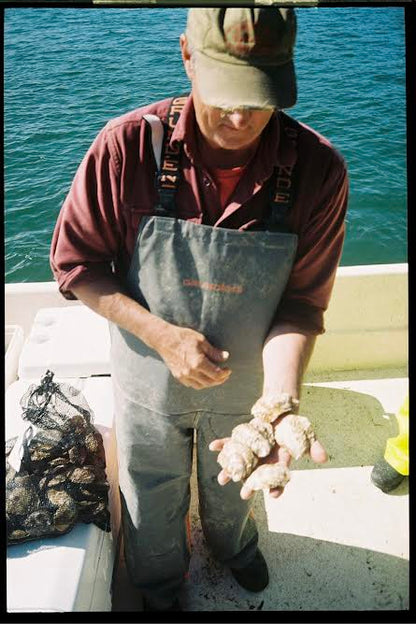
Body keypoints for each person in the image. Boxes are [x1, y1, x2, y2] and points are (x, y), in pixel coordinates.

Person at [50, 7, 348, 611]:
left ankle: (232, 546)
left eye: (259, 98)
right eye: (226, 95)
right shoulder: (126, 146)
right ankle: (160, 582)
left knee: (236, 485)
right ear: (186, 53)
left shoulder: (320, 171)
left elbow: (301, 304)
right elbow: (76, 265)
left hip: (246, 388)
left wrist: (281, 403)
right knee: (149, 492)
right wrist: (162, 336)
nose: (241, 119)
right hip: (149, 380)